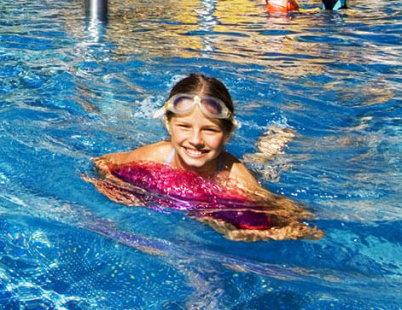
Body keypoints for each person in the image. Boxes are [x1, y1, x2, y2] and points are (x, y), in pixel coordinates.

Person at [90, 73, 322, 241]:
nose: (196, 140)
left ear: (228, 134)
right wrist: (115, 189)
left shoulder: (236, 179)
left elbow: (304, 225)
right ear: (168, 125)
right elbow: (101, 164)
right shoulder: (157, 154)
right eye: (184, 126)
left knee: (261, 166)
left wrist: (256, 235)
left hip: (231, 171)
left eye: (209, 130)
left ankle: (269, 149)